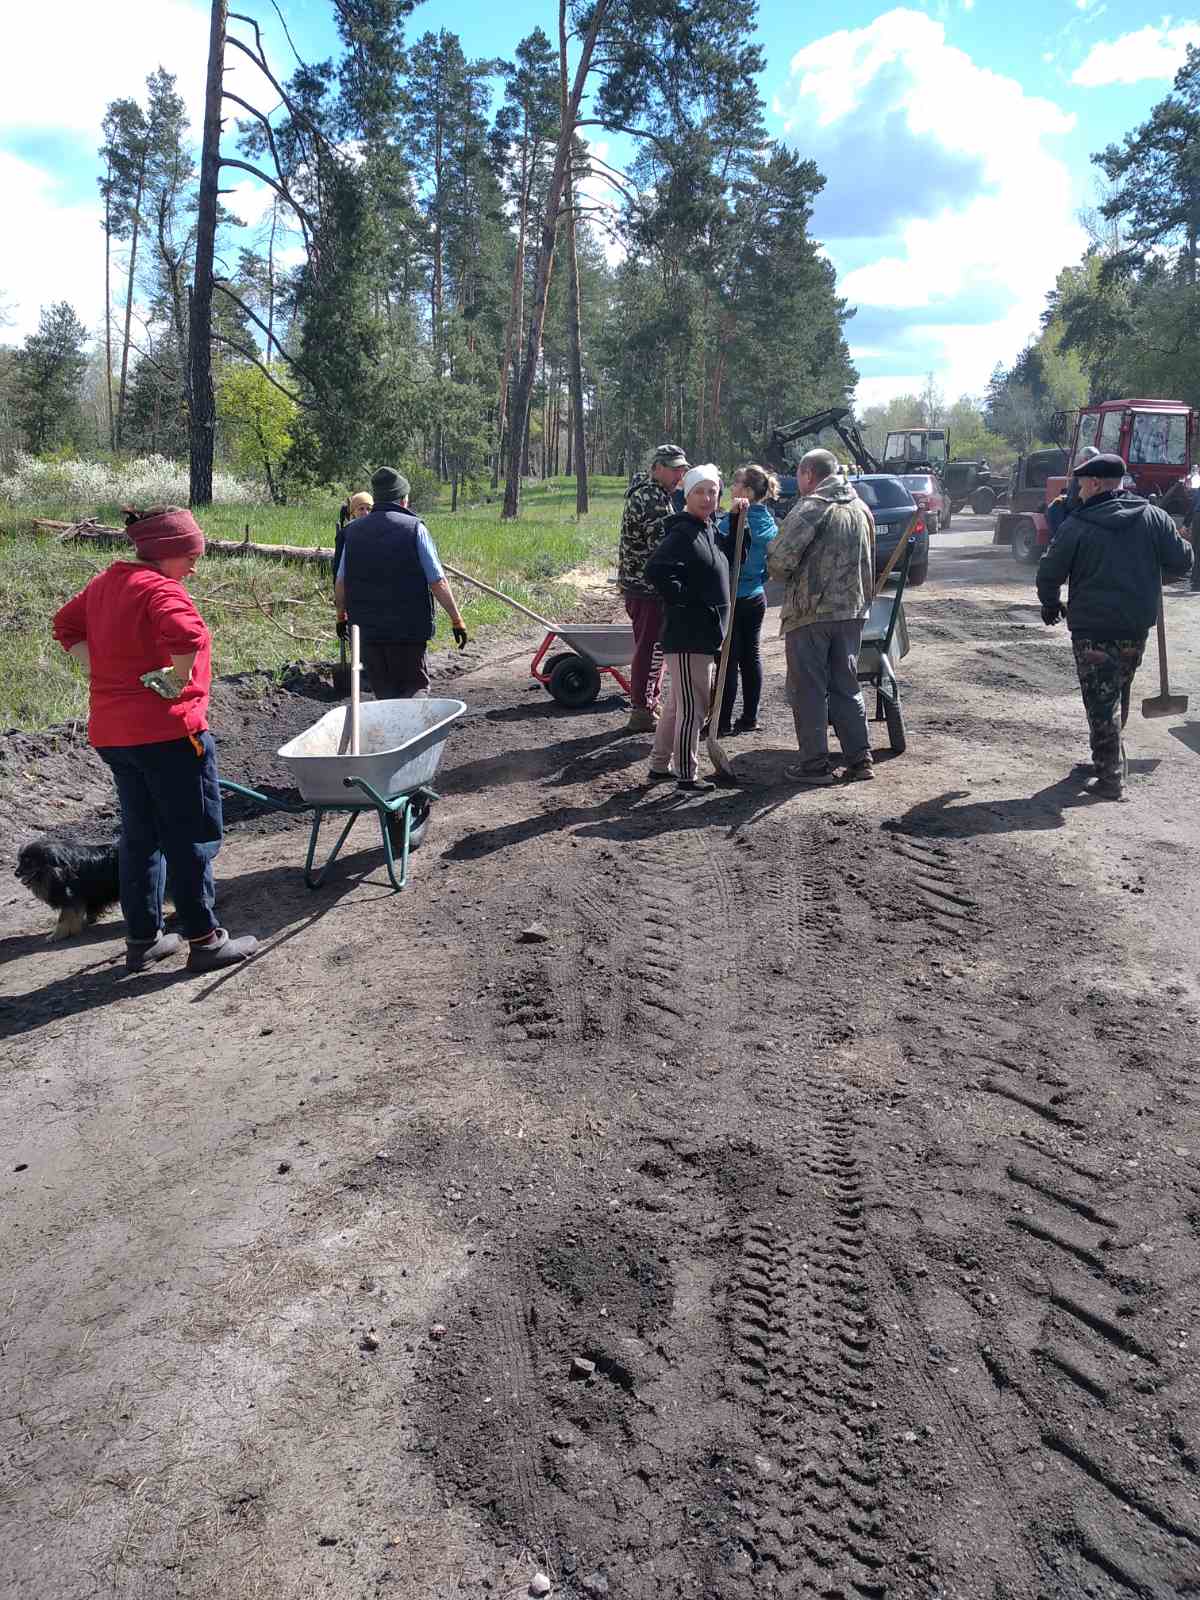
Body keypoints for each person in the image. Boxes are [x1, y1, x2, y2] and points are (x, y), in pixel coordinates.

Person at [51, 507, 258, 973]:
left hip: (115, 735)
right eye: (189, 556)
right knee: (191, 834)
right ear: (165, 554)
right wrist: (179, 676)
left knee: (141, 836)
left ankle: (143, 939)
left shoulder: (105, 584)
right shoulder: (161, 589)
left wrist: (98, 666)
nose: (194, 566)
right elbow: (189, 634)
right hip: (169, 734)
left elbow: (65, 625)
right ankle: (204, 940)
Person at [1037, 451, 1194, 799]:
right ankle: (1108, 758)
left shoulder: (1078, 525)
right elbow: (1183, 560)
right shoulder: (1154, 517)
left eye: (1080, 485)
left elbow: (1050, 569)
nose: (1077, 492)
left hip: (1093, 628)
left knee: (1100, 700)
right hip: (1135, 625)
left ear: (1094, 483)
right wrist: (1152, 579)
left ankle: (1110, 779)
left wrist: (1049, 602)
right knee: (1116, 691)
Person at [766, 447, 875, 786]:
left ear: (809, 474)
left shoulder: (812, 508)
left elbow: (780, 562)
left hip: (811, 614)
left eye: (799, 476)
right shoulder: (861, 507)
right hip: (853, 612)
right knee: (846, 684)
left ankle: (814, 765)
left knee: (809, 689)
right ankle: (860, 760)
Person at [643, 463, 743, 792]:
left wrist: (740, 521)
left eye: (712, 492)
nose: (706, 497)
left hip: (704, 635)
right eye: (699, 491)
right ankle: (686, 774)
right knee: (694, 708)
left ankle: (659, 766)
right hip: (688, 635)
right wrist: (686, 600)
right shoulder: (682, 532)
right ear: (688, 495)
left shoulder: (709, 528)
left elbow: (734, 556)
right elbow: (656, 570)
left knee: (677, 705)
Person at [334, 467, 469, 699]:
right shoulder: (415, 528)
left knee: (384, 693)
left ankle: (392, 734)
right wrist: (457, 620)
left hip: (368, 631)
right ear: (404, 500)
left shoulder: (352, 532)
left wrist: (340, 616)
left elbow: (340, 582)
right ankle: (415, 734)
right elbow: (437, 581)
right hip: (409, 630)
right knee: (415, 688)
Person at [616, 443, 690, 732]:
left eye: (682, 470)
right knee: (651, 649)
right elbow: (663, 548)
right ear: (657, 468)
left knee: (653, 648)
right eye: (673, 469)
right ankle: (641, 710)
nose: (678, 475)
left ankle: (649, 701)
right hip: (648, 587)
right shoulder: (653, 498)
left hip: (640, 584)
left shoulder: (654, 493)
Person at [716, 464, 779, 735]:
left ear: (749, 491)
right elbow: (771, 563)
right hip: (755, 596)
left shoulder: (733, 520)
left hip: (731, 597)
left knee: (728, 659)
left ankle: (721, 721)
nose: (731, 487)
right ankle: (749, 717)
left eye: (736, 483)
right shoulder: (769, 521)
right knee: (750, 657)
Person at [1046, 445, 1099, 540]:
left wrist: (1063, 499)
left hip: (1081, 510)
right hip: (1095, 506)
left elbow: (1072, 502)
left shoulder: (1081, 474)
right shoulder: (1105, 473)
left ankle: (1059, 538)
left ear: (1085, 460)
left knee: (1053, 508)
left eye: (1080, 459)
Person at [332, 490, 373, 597]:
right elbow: (337, 567)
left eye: (369, 509)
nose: (366, 512)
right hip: (352, 587)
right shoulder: (344, 533)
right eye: (361, 509)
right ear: (353, 512)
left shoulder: (377, 531)